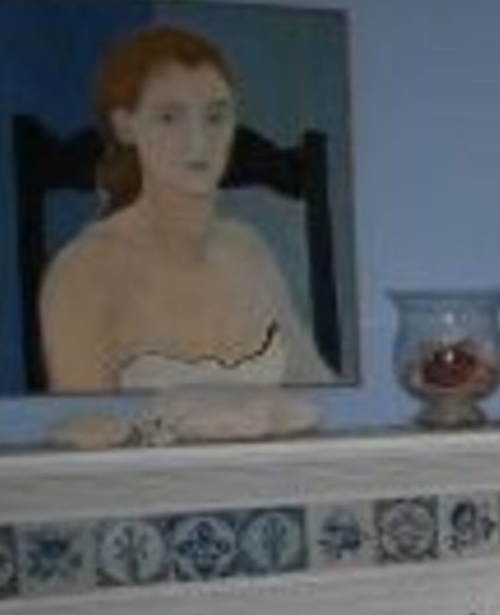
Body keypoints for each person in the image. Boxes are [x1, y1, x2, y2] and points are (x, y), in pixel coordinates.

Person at [38, 25, 335, 392]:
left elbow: (320, 389)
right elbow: (84, 420)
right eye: (169, 118)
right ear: (125, 126)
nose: (198, 143)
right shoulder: (82, 272)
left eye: (215, 117)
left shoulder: (248, 252)